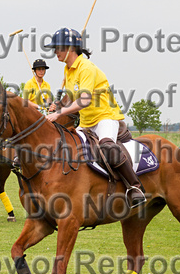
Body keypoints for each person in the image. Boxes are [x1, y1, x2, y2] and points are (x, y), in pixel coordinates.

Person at [45, 28, 146, 208]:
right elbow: (71, 98)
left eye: (58, 47)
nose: (55, 52)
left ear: (70, 48)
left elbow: (83, 100)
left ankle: (135, 187)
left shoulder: (86, 68)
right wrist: (58, 105)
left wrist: (59, 113)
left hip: (104, 118)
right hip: (86, 122)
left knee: (107, 147)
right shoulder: (68, 70)